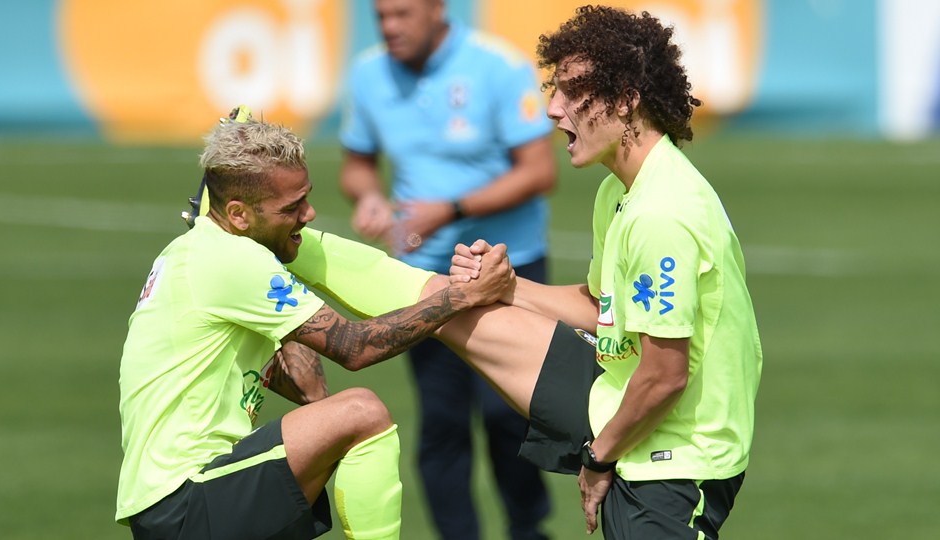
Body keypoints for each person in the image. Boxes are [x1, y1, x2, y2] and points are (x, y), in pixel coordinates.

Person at [431, 6, 763, 538]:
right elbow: (602, 306)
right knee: (450, 314)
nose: (553, 110)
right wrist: (508, 289)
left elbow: (664, 374)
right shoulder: (619, 189)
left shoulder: (661, 212)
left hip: (678, 462)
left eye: (571, 91)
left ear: (626, 98)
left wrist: (598, 458)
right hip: (640, 437)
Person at [116, 109, 516, 540]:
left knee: (335, 421)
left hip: (188, 496)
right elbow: (355, 348)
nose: (308, 214)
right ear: (238, 214)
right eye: (291, 207)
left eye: (306, 196)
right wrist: (461, 296)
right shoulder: (232, 260)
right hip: (187, 496)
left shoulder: (201, 251)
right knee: (362, 413)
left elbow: (311, 394)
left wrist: (287, 295)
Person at [338, 0, 556, 538]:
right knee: (442, 423)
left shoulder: (497, 67)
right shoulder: (368, 73)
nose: (390, 27)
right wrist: (368, 197)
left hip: (510, 269)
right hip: (425, 277)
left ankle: (529, 528)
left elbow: (539, 172)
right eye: (381, 16)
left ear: (438, 9)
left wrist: (451, 209)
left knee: (511, 415)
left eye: (402, 14)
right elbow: (357, 166)